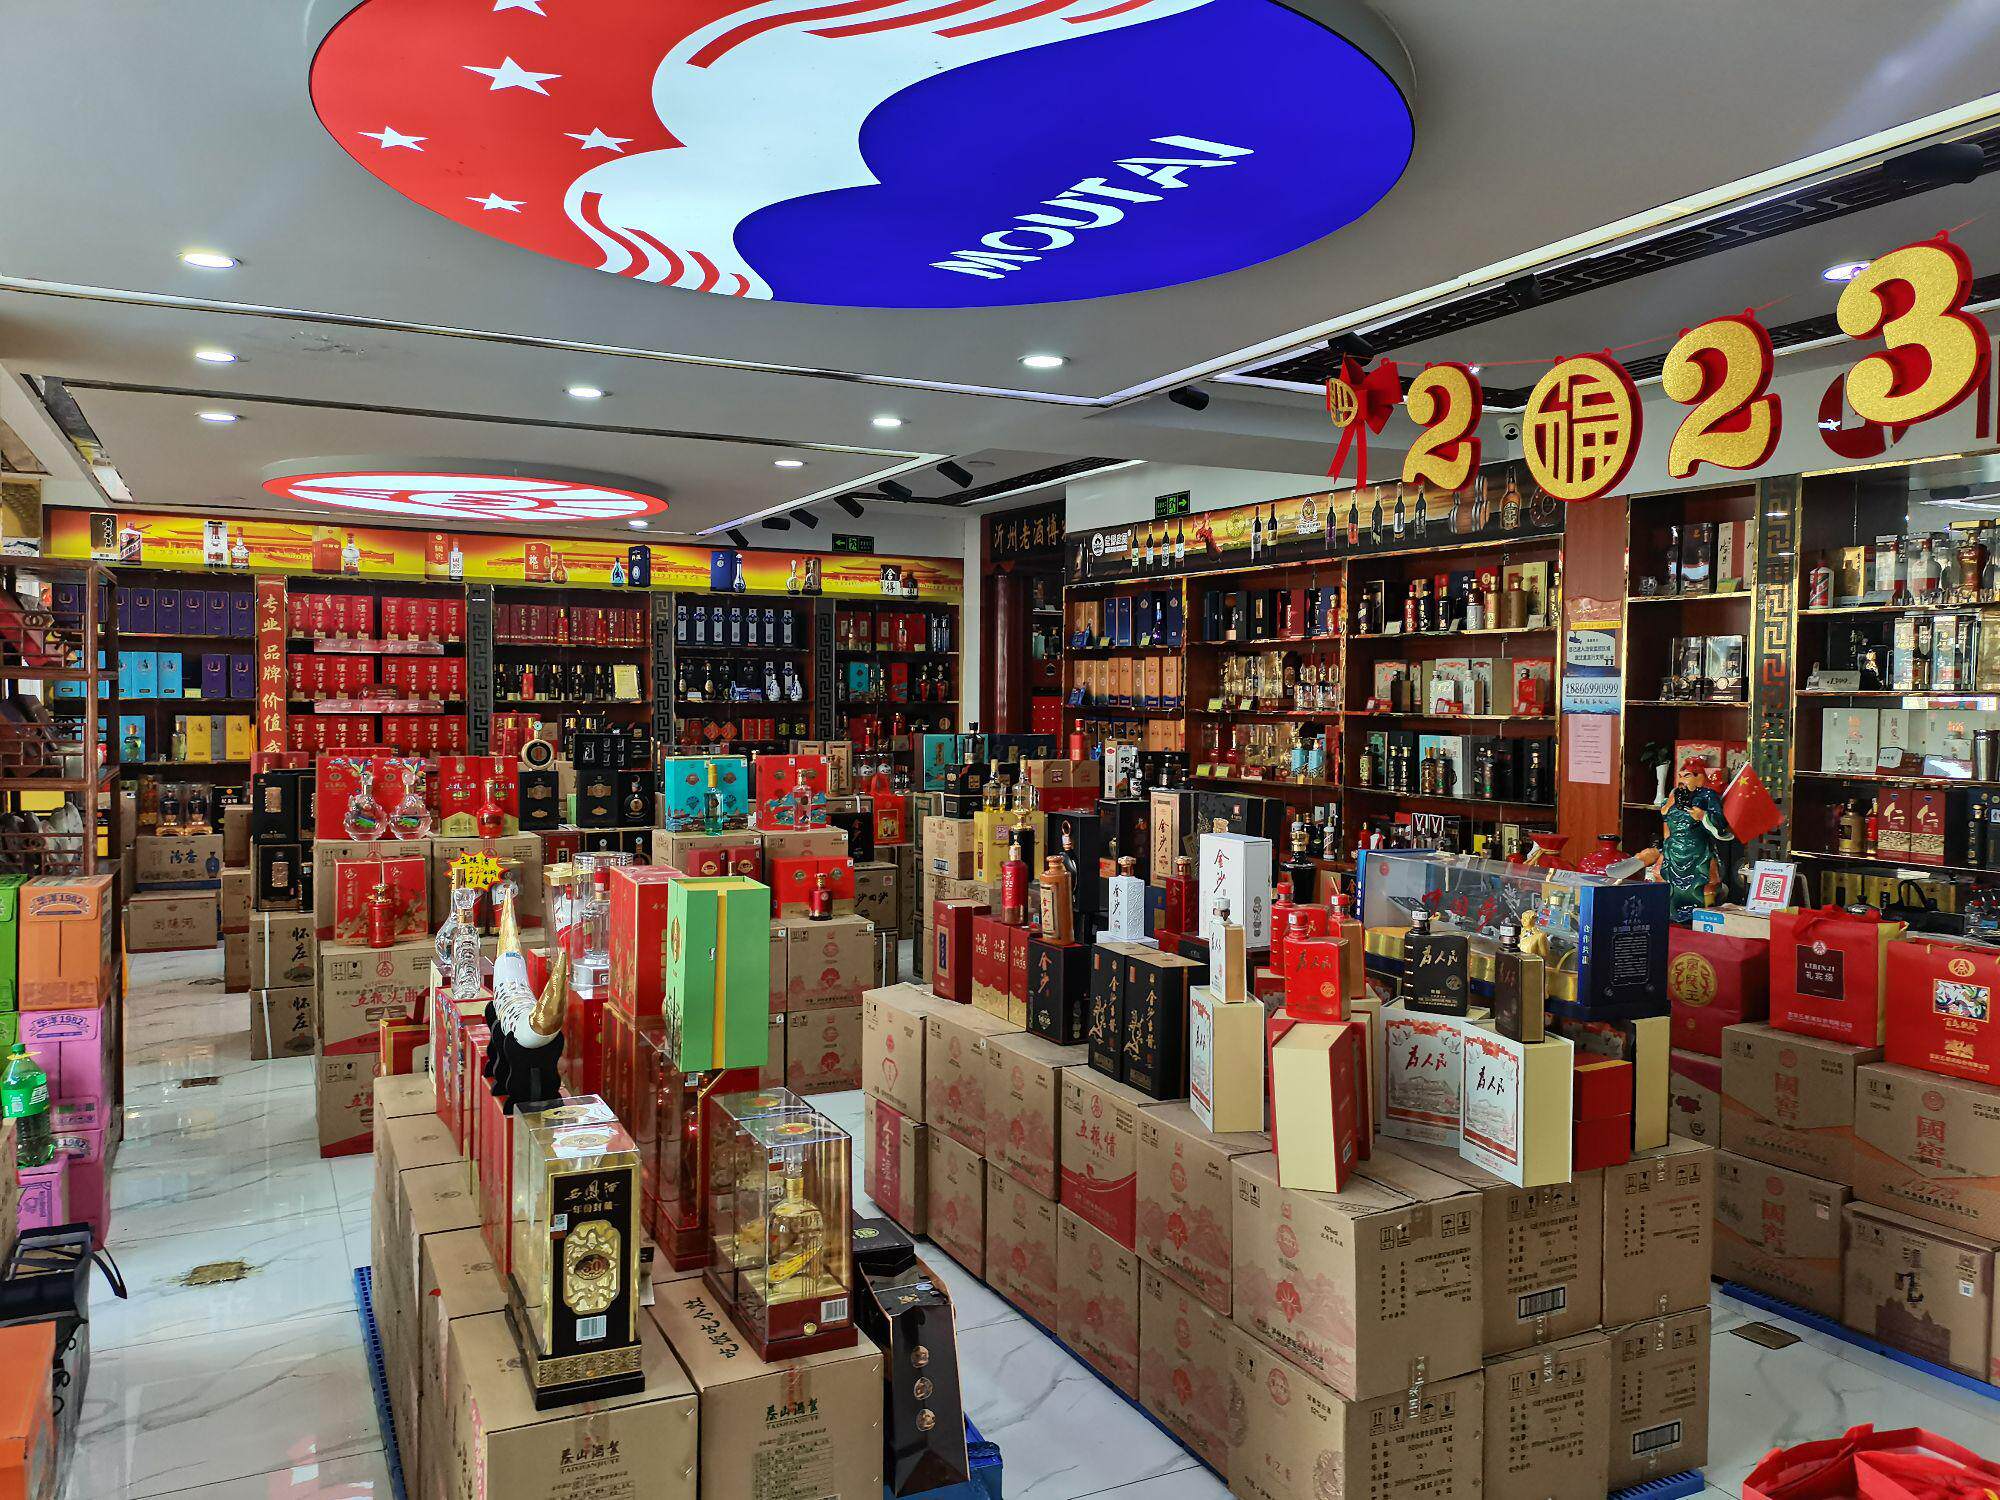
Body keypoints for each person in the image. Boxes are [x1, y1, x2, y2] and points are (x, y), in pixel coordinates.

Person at [1649, 754, 1735, 921]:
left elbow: (1721, 824)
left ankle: (1706, 916)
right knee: (1663, 878)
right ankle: (1668, 913)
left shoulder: (1708, 796)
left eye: (1687, 776)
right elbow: (1666, 825)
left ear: (1700, 777)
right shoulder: (1673, 796)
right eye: (1680, 776)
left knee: (1707, 882)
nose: (1682, 780)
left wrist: (1703, 816)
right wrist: (1665, 847)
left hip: (1698, 849)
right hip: (1673, 848)